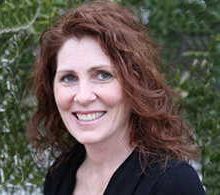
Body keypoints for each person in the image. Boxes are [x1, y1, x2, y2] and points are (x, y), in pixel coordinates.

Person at [27, 0, 206, 194]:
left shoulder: (173, 183)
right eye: (69, 78)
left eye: (103, 75)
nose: (83, 96)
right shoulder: (59, 175)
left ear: (135, 84)